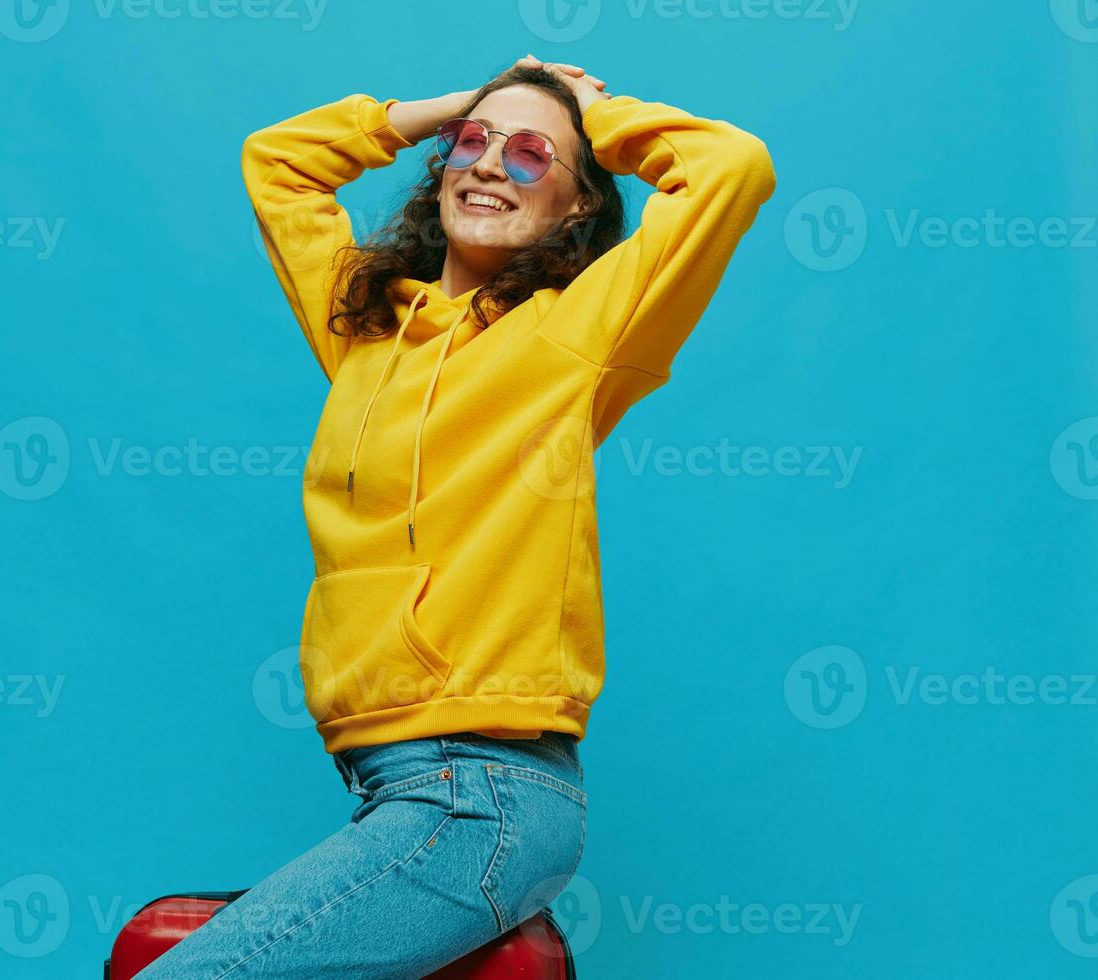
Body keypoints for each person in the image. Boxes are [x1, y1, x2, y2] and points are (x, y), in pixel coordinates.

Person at [135, 54, 776, 978]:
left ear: (577, 205)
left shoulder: (577, 333)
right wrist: (451, 105)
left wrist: (599, 117)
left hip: (486, 793)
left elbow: (734, 167)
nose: (485, 164)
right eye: (471, 146)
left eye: (528, 156)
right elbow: (277, 162)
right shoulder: (367, 326)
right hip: (394, 787)